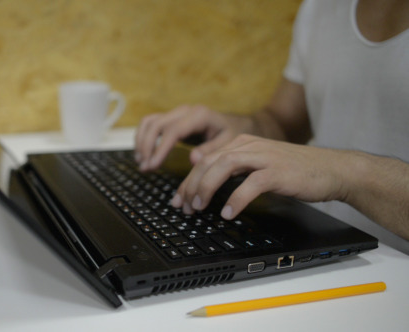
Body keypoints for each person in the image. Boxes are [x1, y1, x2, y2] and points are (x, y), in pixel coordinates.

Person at [134, 0, 409, 252]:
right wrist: (240, 127)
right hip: (323, 245)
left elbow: (335, 168)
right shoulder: (321, 6)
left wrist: (347, 173)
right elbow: (283, 123)